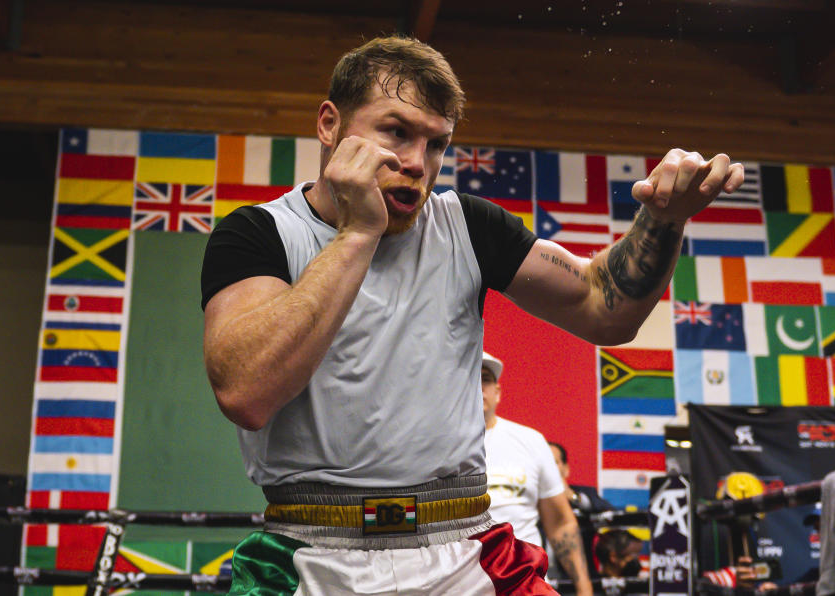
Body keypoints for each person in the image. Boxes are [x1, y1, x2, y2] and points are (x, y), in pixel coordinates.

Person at [201, 33, 744, 594]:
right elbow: (246, 392)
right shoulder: (259, 233)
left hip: (463, 552)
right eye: (396, 132)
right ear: (329, 125)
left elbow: (603, 307)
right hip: (310, 555)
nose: (416, 163)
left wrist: (664, 219)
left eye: (436, 145)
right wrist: (359, 231)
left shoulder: (466, 225)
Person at [481, 353, 594, 594]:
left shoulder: (530, 441)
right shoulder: (433, 445)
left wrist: (584, 590)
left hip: (524, 583)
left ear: (498, 392)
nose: (478, 387)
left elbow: (561, 523)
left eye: (485, 379)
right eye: (469, 377)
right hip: (457, 583)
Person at [548, 441, 614, 514]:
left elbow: (610, 513)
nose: (548, 468)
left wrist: (573, 497)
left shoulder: (586, 493)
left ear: (566, 470)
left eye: (553, 462)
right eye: (543, 463)